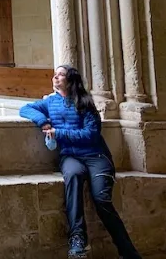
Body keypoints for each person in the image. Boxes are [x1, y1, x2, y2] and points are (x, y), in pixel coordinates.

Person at [20, 66, 142, 259]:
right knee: (73, 175)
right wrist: (43, 121)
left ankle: (127, 250)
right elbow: (25, 108)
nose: (55, 76)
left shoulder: (84, 102)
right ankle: (78, 239)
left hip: (96, 156)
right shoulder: (50, 102)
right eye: (55, 74)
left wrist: (59, 133)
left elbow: (91, 134)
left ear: (71, 80)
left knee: (101, 199)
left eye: (61, 74)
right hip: (70, 156)